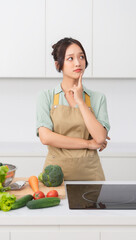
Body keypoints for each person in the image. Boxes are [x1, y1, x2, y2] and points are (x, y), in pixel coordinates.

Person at [36, 37, 110, 181]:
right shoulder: (46, 96)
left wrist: (81, 102)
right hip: (54, 177)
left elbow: (100, 137)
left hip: (91, 176)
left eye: (81, 57)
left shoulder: (98, 98)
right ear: (58, 65)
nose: (78, 63)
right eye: (70, 58)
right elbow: (45, 137)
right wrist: (88, 143)